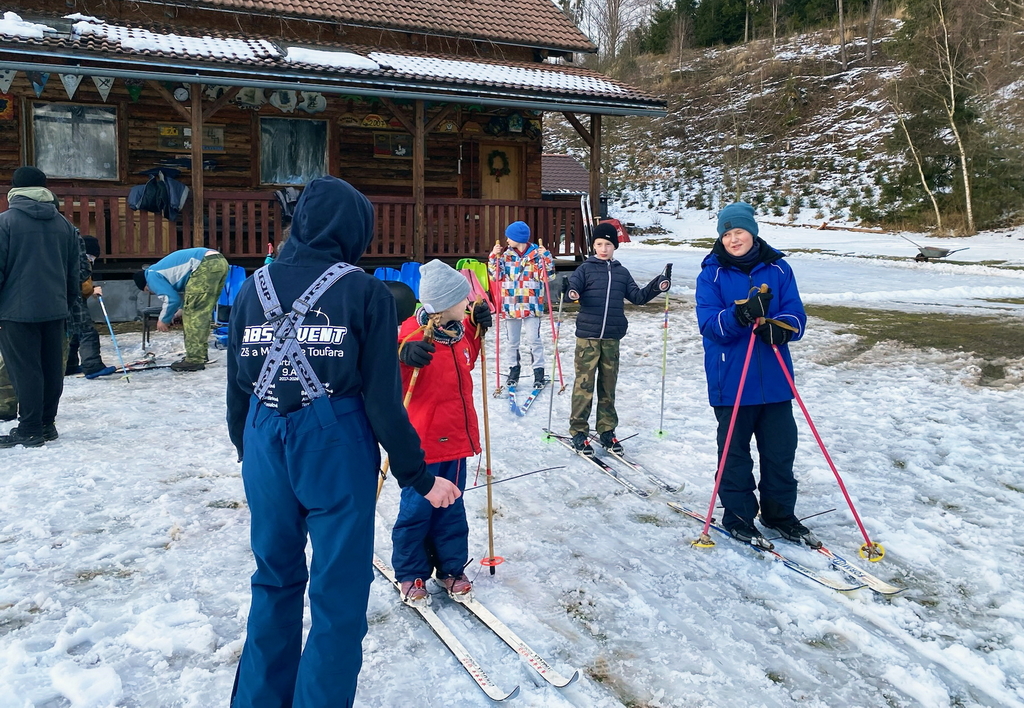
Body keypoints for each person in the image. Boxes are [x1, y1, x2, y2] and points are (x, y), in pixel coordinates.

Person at [226, 176, 460, 707]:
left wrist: (248, 450)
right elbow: (382, 401)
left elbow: (238, 384)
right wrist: (419, 477)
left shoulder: (252, 287)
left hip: (263, 439)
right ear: (354, 229)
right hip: (333, 443)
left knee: (274, 580)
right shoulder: (364, 291)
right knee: (338, 592)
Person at [694, 202, 814, 548]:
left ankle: (779, 515)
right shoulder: (711, 274)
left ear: (752, 233)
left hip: (775, 379)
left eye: (739, 232)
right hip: (731, 379)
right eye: (727, 234)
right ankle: (739, 516)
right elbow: (710, 325)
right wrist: (741, 315)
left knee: (780, 451)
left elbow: (795, 312)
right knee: (734, 454)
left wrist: (781, 328)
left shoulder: (778, 269)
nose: (733, 239)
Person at [392, 259, 492, 602]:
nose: (469, 302)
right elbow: (385, 370)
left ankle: (451, 568)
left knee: (452, 510)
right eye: (464, 298)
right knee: (417, 511)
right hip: (423, 444)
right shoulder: (411, 335)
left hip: (456, 440)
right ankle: (411, 573)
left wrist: (477, 328)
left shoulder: (458, 333)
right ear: (445, 303)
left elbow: (467, 358)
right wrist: (402, 356)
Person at [562, 222, 670, 456]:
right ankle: (579, 431)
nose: (603, 249)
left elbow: (638, 297)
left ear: (615, 247)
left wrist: (657, 286)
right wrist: (570, 292)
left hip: (612, 337)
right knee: (584, 386)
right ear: (593, 246)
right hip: (588, 338)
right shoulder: (585, 269)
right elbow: (573, 289)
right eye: (599, 244)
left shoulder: (622, 273)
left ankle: (606, 430)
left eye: (608, 245)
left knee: (608, 386)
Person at [0, 166, 79, 448]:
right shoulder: (64, 225)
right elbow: (74, 272)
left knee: (25, 370)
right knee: (51, 368)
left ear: (14, 189)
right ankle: (47, 424)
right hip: (55, 307)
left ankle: (30, 429)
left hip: (15, 312)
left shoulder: (5, 222)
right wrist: (66, 303)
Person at [133, 247, 229, 371]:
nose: (152, 292)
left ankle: (194, 360)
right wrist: (181, 311)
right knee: (201, 313)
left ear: (145, 284)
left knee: (193, 316)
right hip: (219, 262)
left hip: (204, 264)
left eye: (148, 290)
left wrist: (163, 320)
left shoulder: (151, 275)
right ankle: (200, 355)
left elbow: (171, 299)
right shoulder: (161, 270)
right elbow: (190, 295)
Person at [488, 221, 554, 389]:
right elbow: (496, 276)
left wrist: (546, 257)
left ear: (518, 238)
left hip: (532, 304)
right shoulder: (505, 256)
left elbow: (547, 277)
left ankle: (539, 372)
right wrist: (493, 256)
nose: (507, 240)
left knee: (534, 340)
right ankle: (513, 370)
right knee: (512, 341)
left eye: (509, 237)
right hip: (511, 304)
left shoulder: (537, 256)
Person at [68, 235, 115, 379]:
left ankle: (68, 365)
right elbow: (82, 284)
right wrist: (92, 290)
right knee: (87, 332)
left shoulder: (68, 256)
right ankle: (92, 365)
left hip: (64, 301)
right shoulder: (82, 261)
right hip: (76, 301)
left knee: (72, 332)